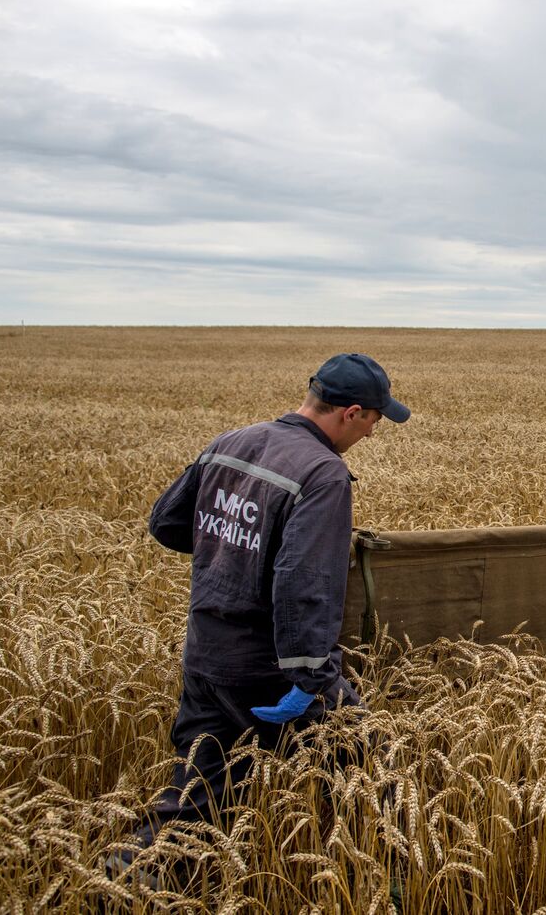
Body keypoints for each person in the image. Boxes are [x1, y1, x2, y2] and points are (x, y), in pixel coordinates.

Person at [107, 353, 410, 884]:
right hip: (267, 668)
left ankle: (118, 883)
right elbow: (303, 583)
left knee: (198, 794)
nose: (372, 433)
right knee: (377, 765)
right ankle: (400, 883)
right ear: (352, 413)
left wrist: (232, 557)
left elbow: (167, 523)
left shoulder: (232, 441)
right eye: (375, 422)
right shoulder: (322, 473)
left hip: (205, 654)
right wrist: (310, 678)